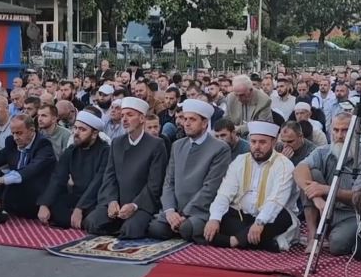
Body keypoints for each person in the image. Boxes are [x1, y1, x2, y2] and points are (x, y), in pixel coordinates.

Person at [294, 112, 361, 254]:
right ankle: (312, 234)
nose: (340, 135)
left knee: (337, 246)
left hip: (351, 214)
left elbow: (360, 197)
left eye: (345, 130)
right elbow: (299, 169)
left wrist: (326, 189)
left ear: (355, 133)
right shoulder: (322, 151)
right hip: (323, 208)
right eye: (336, 130)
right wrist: (316, 197)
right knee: (312, 173)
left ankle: (330, 234)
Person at [204, 121, 298, 252]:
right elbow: (225, 193)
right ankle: (263, 243)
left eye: (262, 142)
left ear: (274, 142)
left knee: (283, 218)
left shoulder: (284, 165)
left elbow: (276, 200)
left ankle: (233, 241)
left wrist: (260, 223)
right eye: (253, 142)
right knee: (217, 218)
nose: (257, 147)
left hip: (271, 218)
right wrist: (214, 219)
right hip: (243, 216)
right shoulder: (240, 161)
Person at [146, 99, 231, 243]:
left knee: (187, 229)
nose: (186, 123)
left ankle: (180, 226)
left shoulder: (220, 148)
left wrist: (185, 213)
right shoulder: (177, 145)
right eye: (185, 119)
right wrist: (170, 211)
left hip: (200, 211)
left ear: (204, 123)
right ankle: (174, 224)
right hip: (176, 209)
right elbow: (169, 182)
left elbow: (210, 188)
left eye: (192, 119)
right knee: (154, 228)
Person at [84, 97, 168, 239]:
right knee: (91, 223)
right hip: (117, 203)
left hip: (140, 205)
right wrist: (111, 201)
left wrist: (134, 206)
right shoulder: (117, 143)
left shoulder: (156, 145)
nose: (124, 119)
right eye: (122, 115)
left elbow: (154, 185)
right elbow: (109, 177)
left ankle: (125, 226)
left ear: (142, 118)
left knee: (129, 231)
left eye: (130, 115)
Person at [0, 115, 56, 226]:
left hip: (34, 196)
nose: (15, 137)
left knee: (5, 178)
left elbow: (29, 171)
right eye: (13, 133)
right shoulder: (11, 142)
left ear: (31, 130)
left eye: (19, 133)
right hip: (15, 192)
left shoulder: (43, 145)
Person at [38, 111, 110, 229]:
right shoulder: (72, 150)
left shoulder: (106, 152)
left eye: (82, 129)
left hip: (97, 198)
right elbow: (58, 177)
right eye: (75, 128)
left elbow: (97, 183)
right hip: (77, 196)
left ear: (94, 134)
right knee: (54, 206)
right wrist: (44, 204)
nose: (76, 133)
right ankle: (80, 222)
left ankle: (83, 221)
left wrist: (80, 208)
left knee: (97, 218)